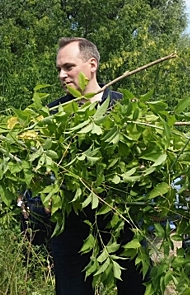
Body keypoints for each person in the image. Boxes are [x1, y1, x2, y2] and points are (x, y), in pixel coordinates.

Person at [47, 37, 146, 295]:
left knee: (134, 287)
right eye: (59, 69)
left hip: (121, 220)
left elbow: (147, 164)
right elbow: (40, 167)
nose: (61, 75)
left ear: (92, 65)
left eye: (68, 67)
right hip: (70, 223)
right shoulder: (52, 114)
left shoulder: (125, 107)